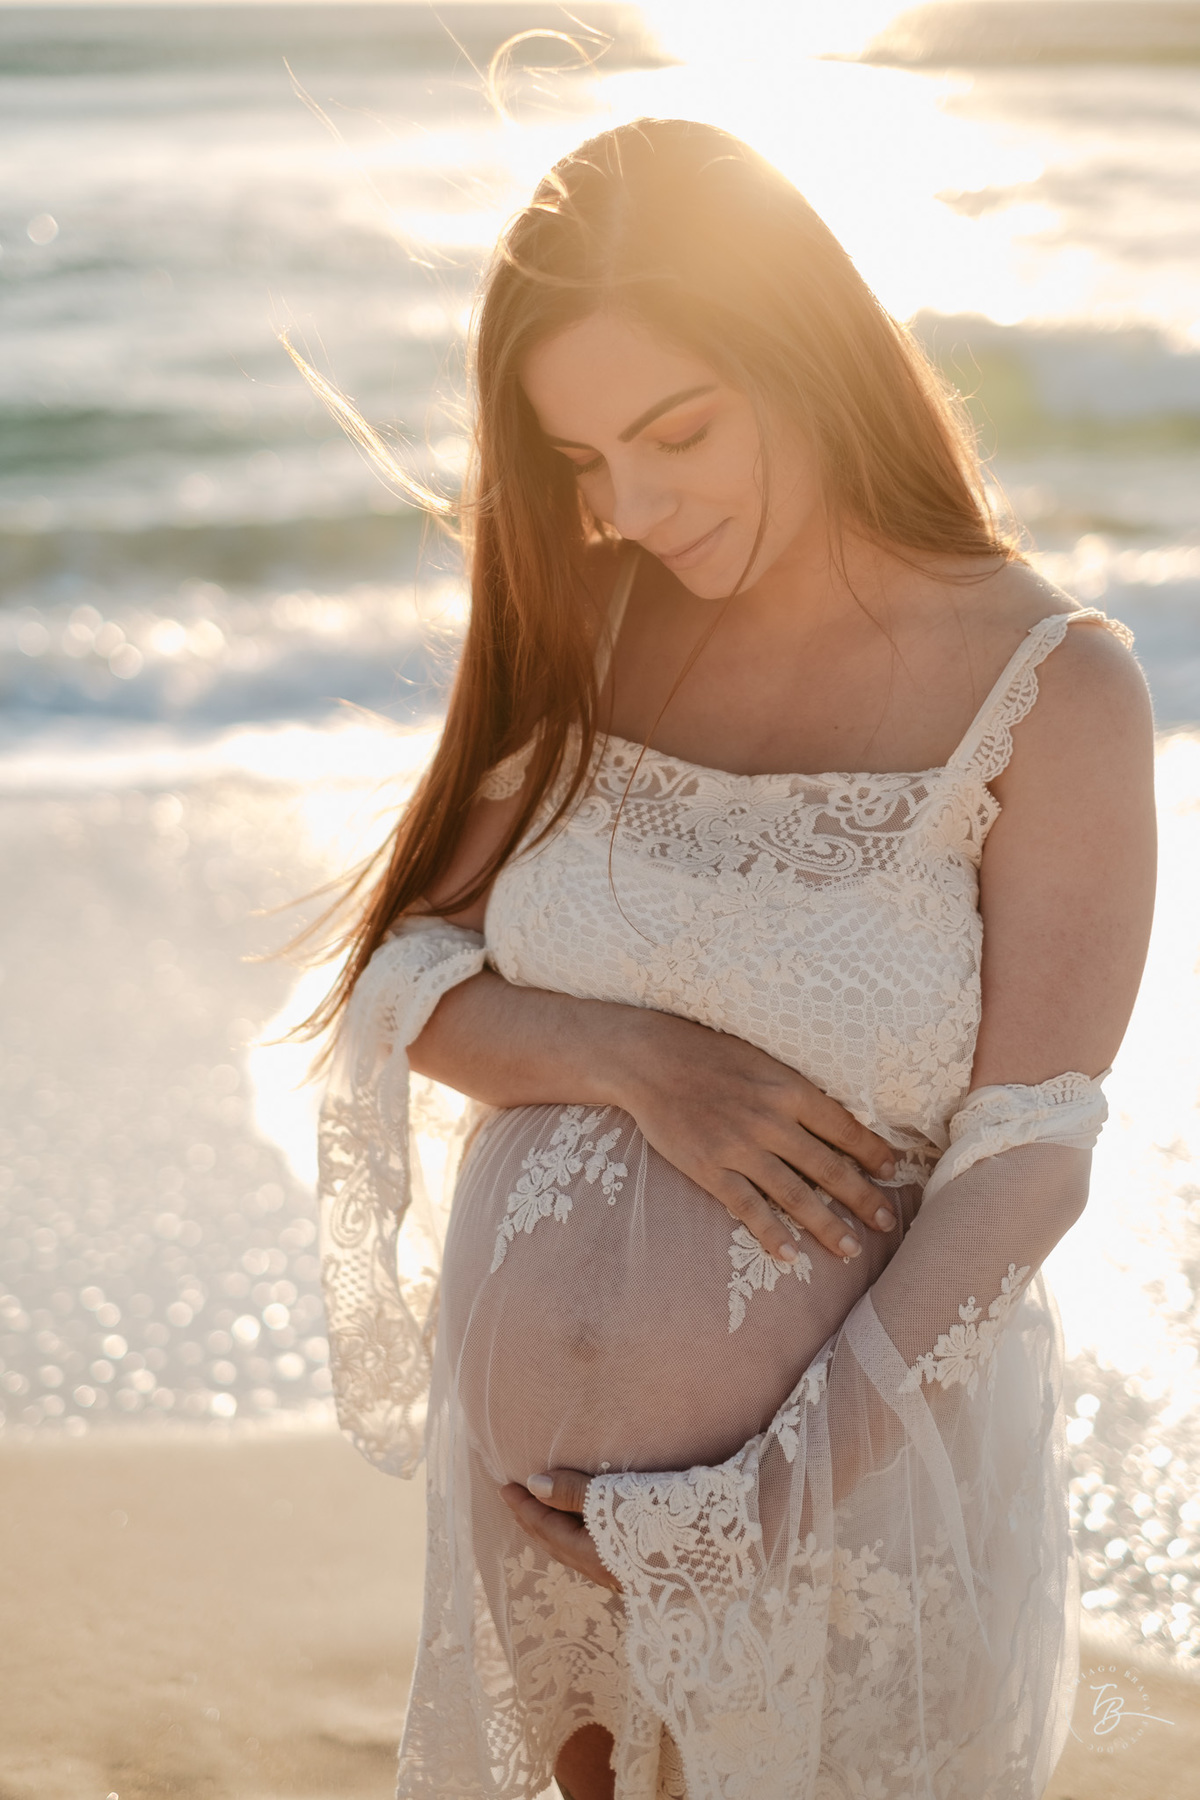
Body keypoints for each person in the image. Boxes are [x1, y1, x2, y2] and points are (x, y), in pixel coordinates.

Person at [313, 119, 1156, 1800]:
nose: (629, 506)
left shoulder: (1052, 692)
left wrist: (749, 1509)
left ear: (808, 350)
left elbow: (1027, 1163)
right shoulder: (604, 629)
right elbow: (411, 972)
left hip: (843, 1511)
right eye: (580, 463)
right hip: (531, 1535)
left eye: (675, 430)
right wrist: (635, 1060)